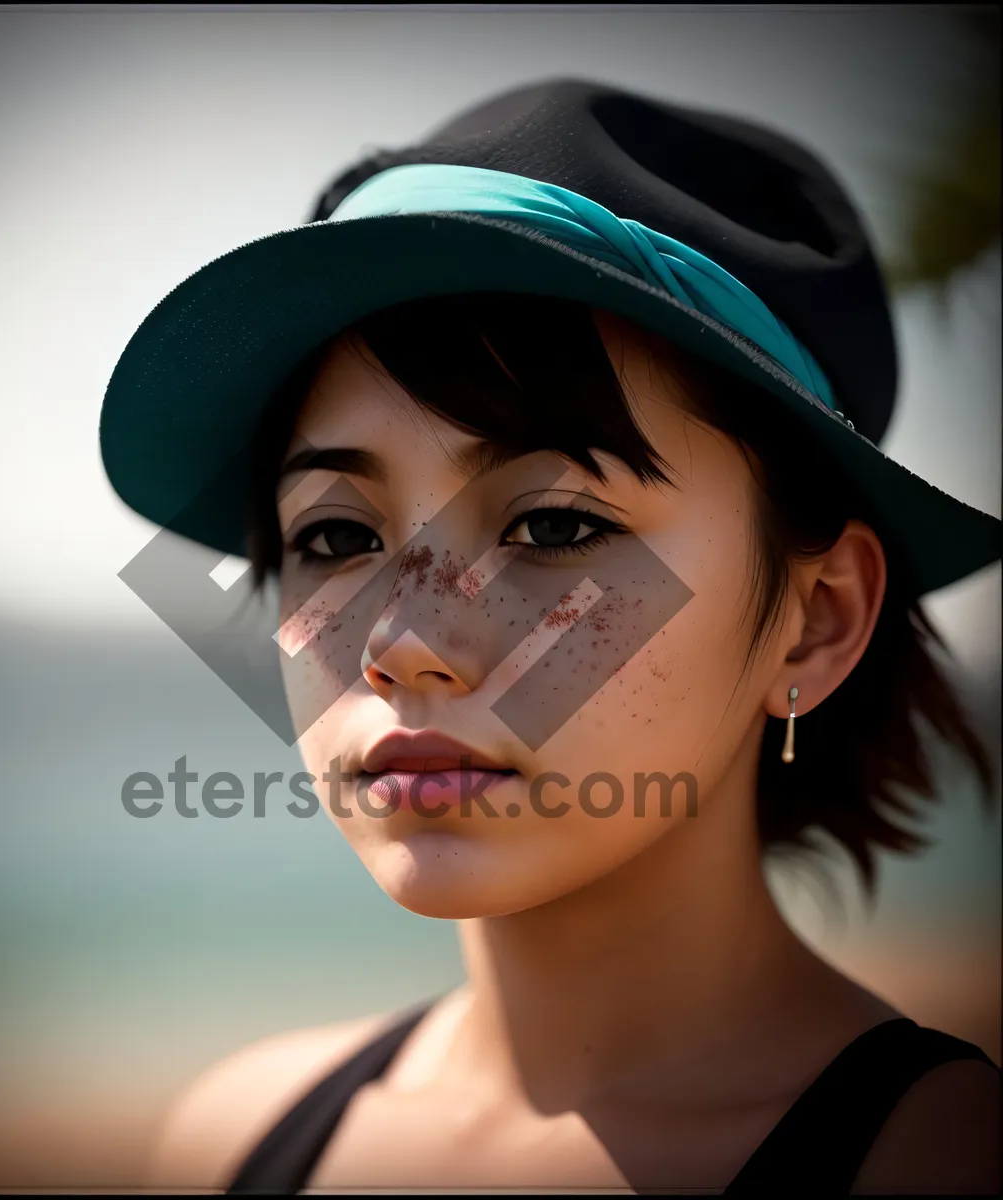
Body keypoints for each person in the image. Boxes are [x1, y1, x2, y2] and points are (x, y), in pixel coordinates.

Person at [100, 79, 1001, 1193]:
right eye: (335, 536)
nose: (405, 643)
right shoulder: (233, 1141)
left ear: (815, 622)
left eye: (554, 524)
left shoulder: (939, 1160)